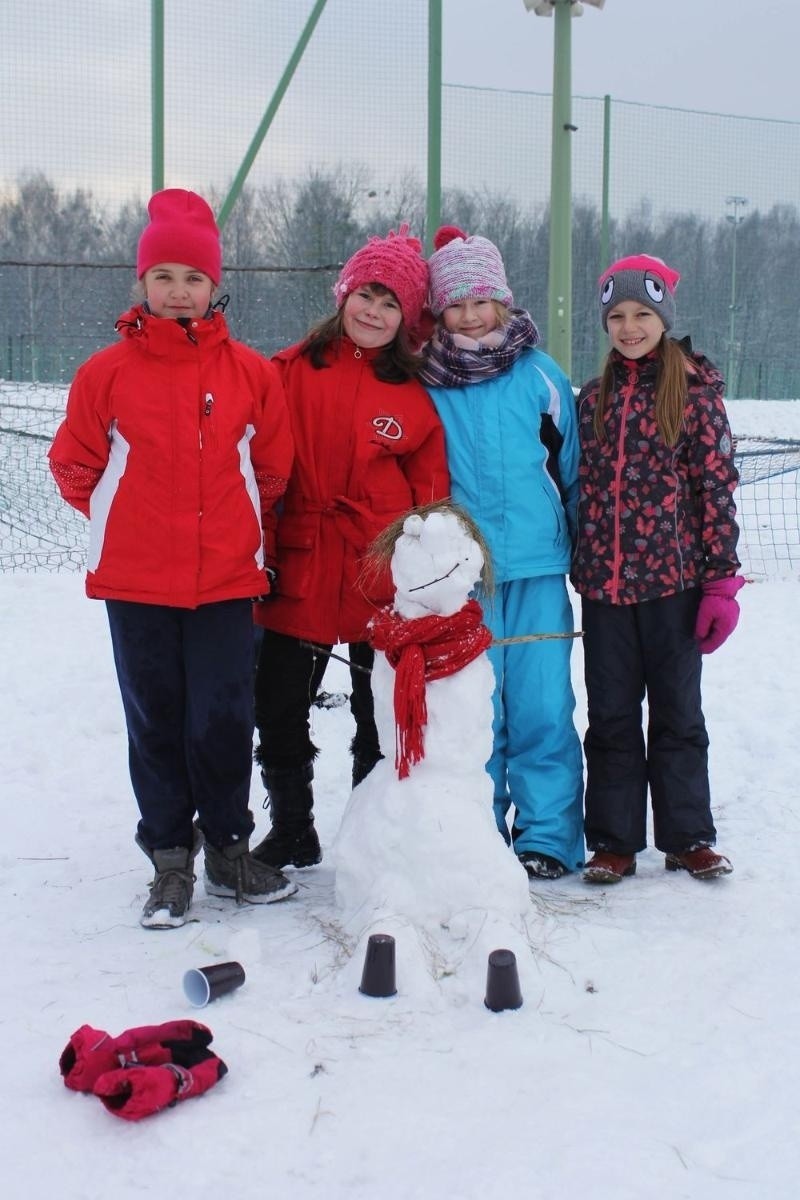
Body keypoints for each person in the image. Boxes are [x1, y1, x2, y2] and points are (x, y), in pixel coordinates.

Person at [48, 188, 298, 928]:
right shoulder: (107, 374)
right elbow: (75, 466)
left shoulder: (253, 375)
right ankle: (168, 860)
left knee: (222, 719)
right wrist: (126, 521)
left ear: (216, 287)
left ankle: (227, 849)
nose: (180, 292)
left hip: (225, 579)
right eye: (165, 278)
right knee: (155, 720)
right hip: (136, 581)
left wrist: (232, 526)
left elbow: (274, 471)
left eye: (193, 278)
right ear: (143, 285)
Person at [251, 225, 450, 871]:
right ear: (343, 295)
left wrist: (424, 569)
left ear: (406, 318)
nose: (374, 312)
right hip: (300, 565)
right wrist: (263, 547)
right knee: (279, 706)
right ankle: (293, 829)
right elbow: (257, 469)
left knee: (378, 713)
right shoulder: (286, 371)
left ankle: (370, 833)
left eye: (391, 303)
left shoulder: (416, 395)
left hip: (377, 570)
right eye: (367, 295)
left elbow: (430, 494)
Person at [419, 225, 585, 880]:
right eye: (456, 303)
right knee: (474, 710)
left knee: (543, 704)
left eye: (481, 300)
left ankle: (547, 835)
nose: (470, 314)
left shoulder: (541, 377)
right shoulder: (428, 381)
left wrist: (579, 540)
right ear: (439, 310)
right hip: (466, 575)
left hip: (539, 567)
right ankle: (478, 835)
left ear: (505, 303)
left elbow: (569, 467)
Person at [572, 253, 742, 884]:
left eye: (642, 313)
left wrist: (721, 581)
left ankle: (687, 835)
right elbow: (579, 487)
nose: (629, 326)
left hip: (674, 587)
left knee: (676, 713)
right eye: (617, 315)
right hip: (606, 589)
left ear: (663, 316)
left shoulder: (695, 397)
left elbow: (717, 488)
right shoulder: (593, 399)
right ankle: (615, 842)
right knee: (611, 715)